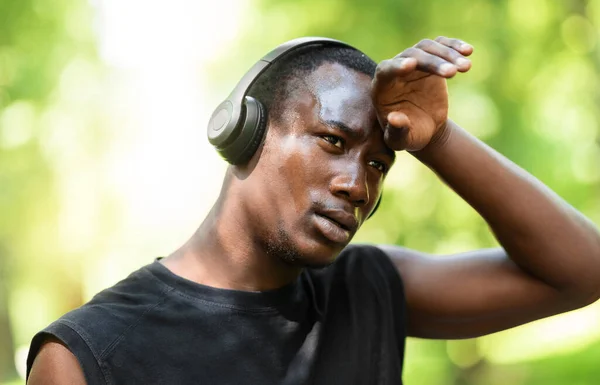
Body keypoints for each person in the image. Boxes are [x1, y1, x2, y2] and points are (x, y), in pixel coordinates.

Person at [26, 36, 600, 385]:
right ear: (247, 132)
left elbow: (583, 269)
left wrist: (438, 140)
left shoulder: (368, 288)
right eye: (331, 140)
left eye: (379, 164)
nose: (356, 184)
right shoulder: (87, 353)